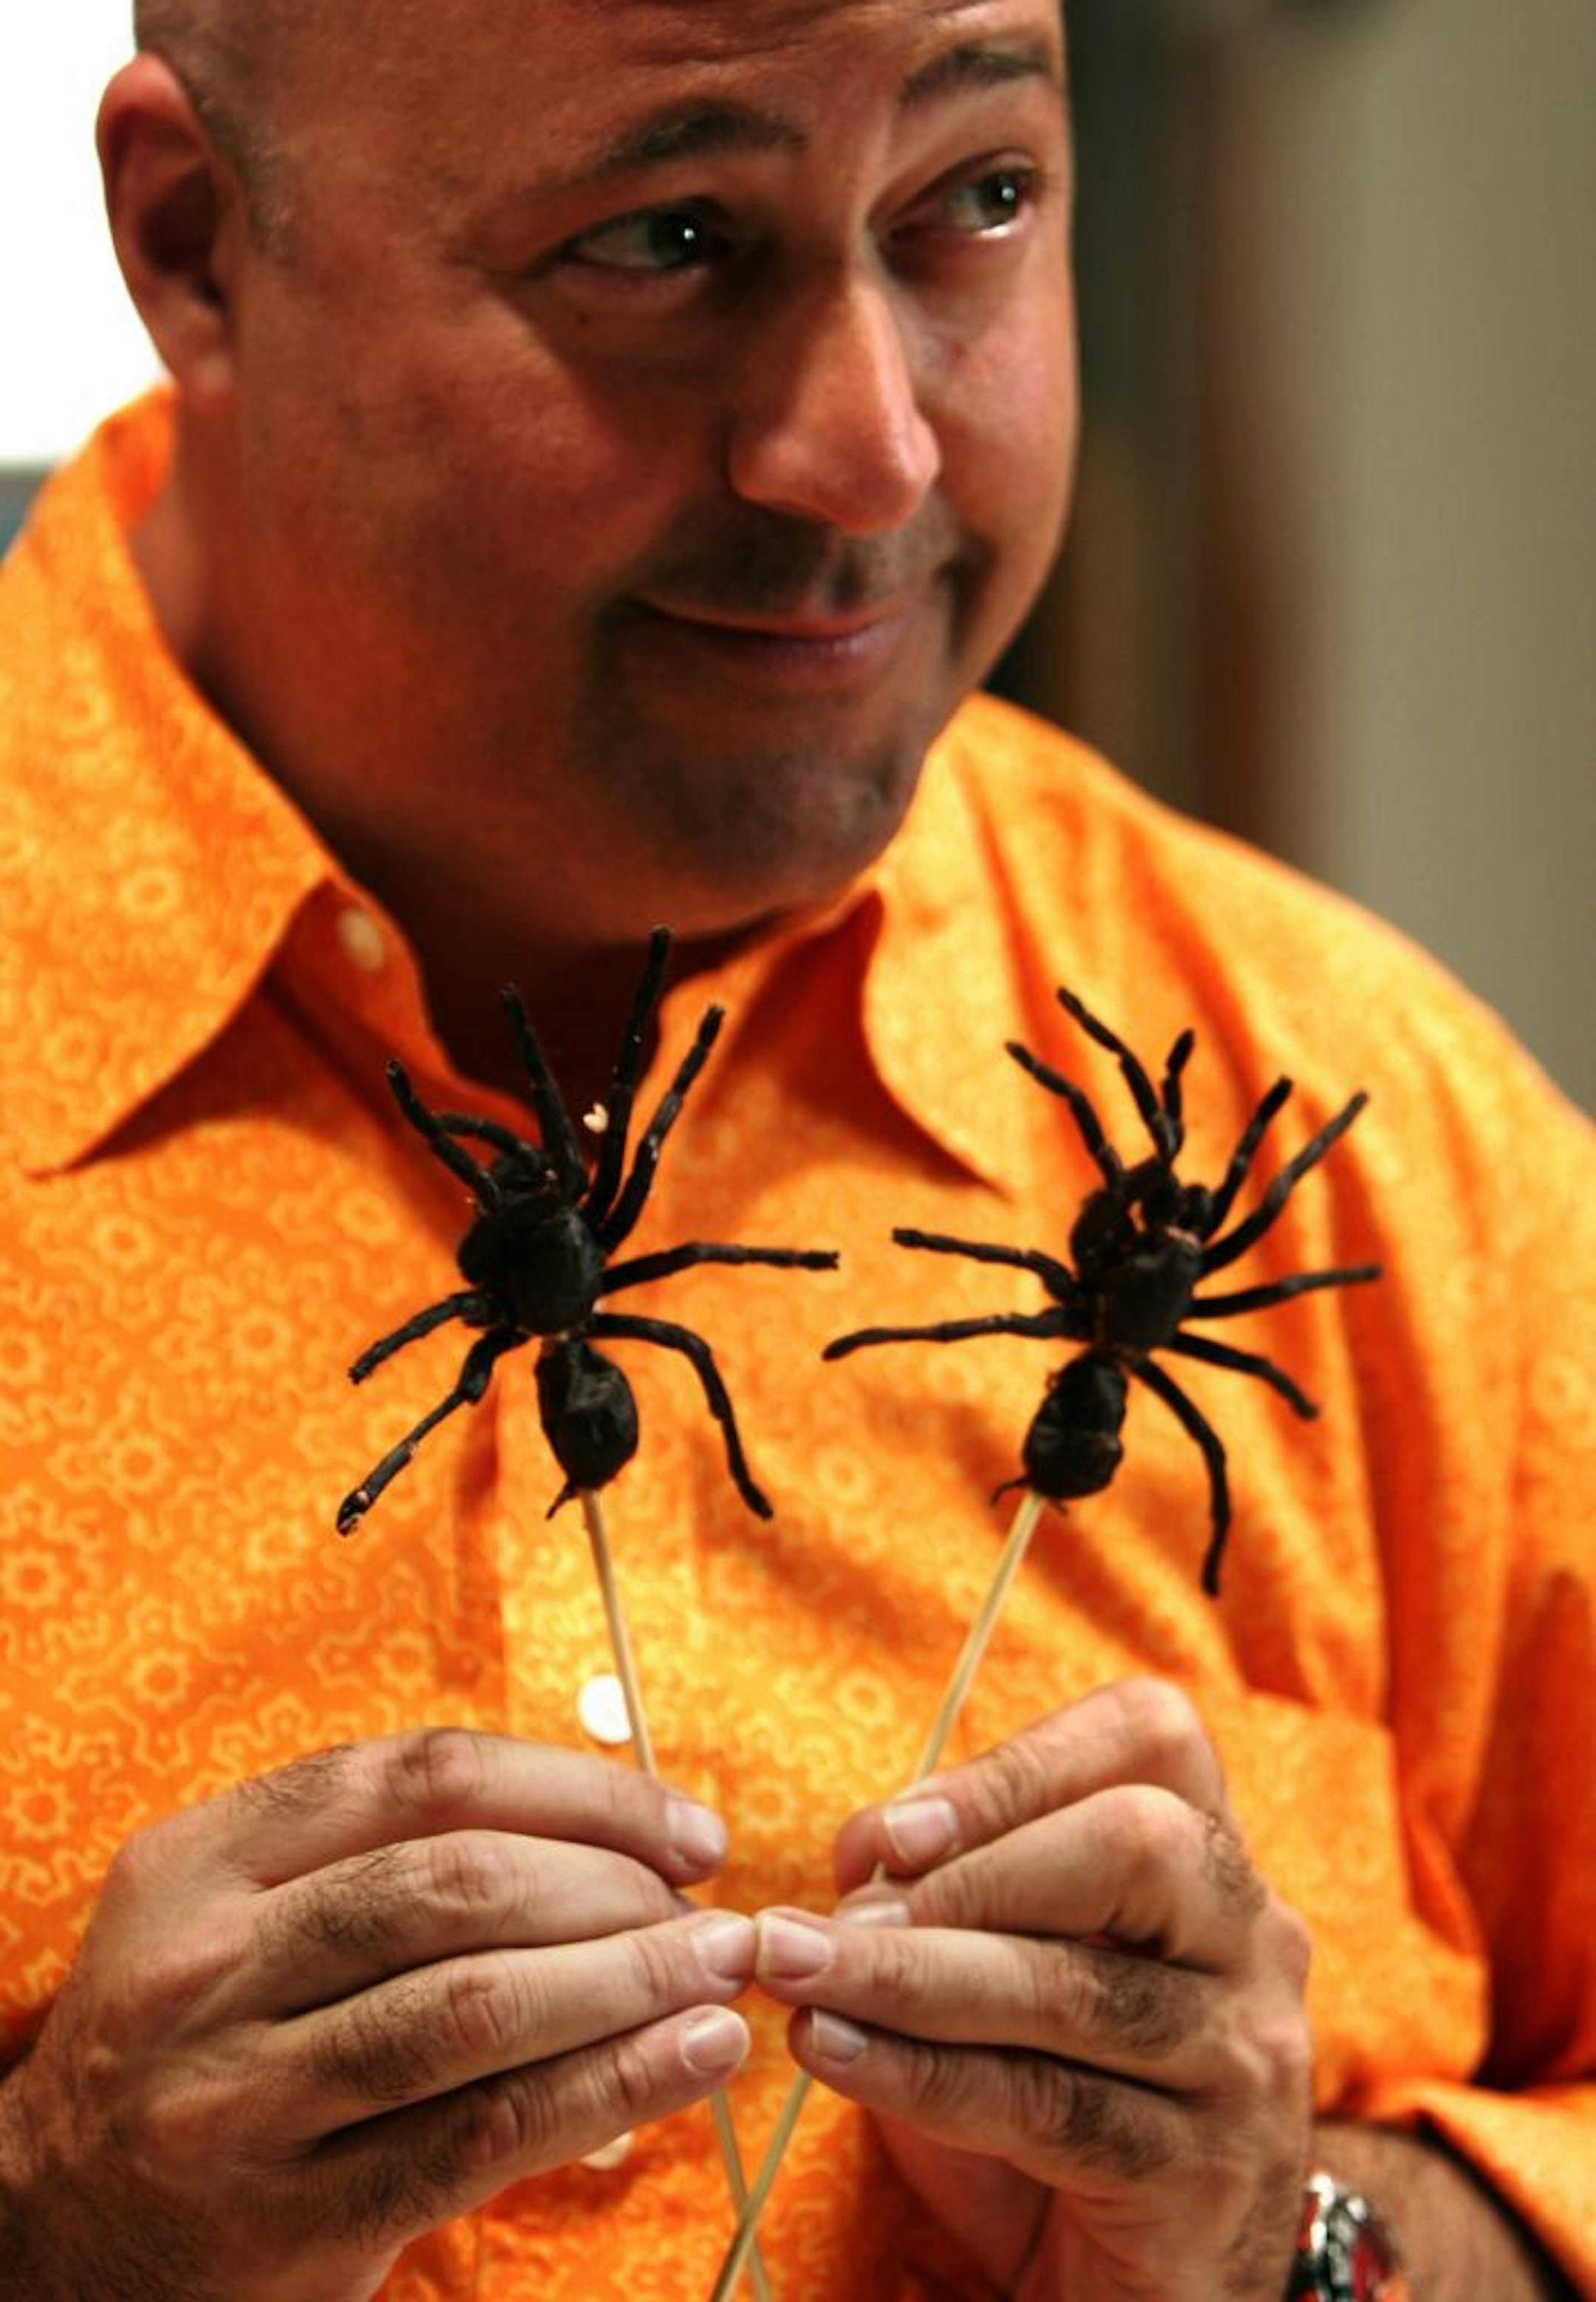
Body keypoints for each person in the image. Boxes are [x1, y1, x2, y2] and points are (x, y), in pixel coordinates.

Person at [0, 1, 1589, 2296]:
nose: (867, 446)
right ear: (195, 238)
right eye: (665, 239)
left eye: (980, 199)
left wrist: (1311, 2253)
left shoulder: (1373, 1136)